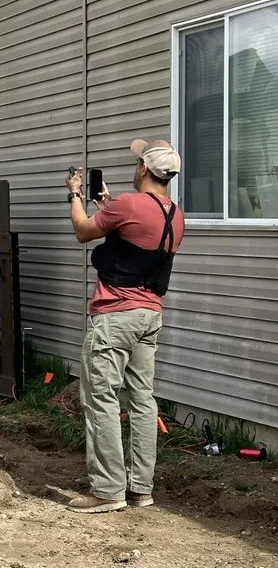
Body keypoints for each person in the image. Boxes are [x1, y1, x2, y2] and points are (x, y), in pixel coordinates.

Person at [64, 139, 186, 514]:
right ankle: (140, 489)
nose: (135, 167)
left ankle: (107, 490)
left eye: (137, 162)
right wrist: (109, 208)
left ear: (145, 169)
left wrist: (74, 195)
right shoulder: (175, 215)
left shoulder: (128, 204)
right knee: (142, 400)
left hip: (115, 316)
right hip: (150, 316)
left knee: (100, 398)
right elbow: (133, 239)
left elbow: (84, 231)